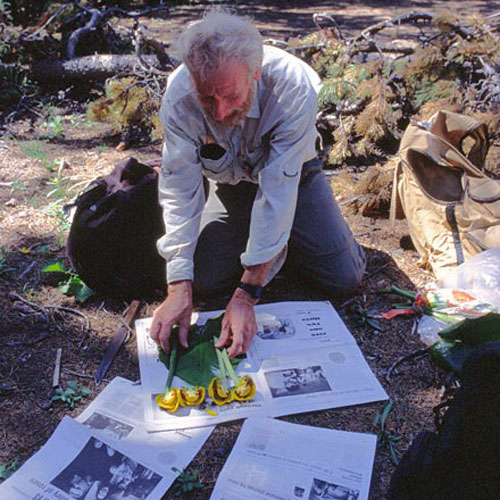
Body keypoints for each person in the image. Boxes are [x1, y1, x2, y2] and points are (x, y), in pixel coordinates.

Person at [150, 9, 365, 358]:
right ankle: (276, 245)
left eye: (231, 96)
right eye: (208, 98)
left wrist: (247, 294)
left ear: (256, 74)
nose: (219, 113)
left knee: (343, 279)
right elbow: (179, 191)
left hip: (295, 179)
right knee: (203, 279)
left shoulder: (292, 85)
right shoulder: (179, 98)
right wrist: (178, 285)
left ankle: (302, 235)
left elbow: (279, 189)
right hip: (233, 185)